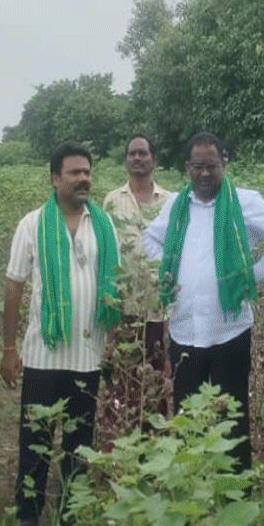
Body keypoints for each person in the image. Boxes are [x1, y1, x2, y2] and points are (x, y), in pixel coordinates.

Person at [143, 132, 264, 473]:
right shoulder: (176, 206)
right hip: (185, 331)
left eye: (211, 166)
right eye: (197, 166)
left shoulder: (245, 202)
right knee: (188, 416)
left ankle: (235, 495)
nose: (204, 174)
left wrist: (252, 275)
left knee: (232, 415)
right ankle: (192, 488)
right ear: (187, 167)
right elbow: (150, 239)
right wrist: (167, 269)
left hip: (229, 330)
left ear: (224, 166)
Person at [0, 142, 121, 526]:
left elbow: (115, 289)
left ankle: (71, 515)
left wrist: (115, 344)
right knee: (34, 441)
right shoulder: (32, 224)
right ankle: (28, 519)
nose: (83, 178)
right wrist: (8, 349)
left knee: (79, 443)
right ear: (55, 179)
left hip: (89, 356)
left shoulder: (103, 225)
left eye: (87, 171)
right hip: (42, 356)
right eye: (74, 172)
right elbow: (14, 286)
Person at [101, 134, 173, 437]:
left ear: (154, 160)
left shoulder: (171, 201)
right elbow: (107, 256)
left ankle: (154, 443)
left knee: (156, 379)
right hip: (125, 306)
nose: (138, 158)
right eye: (132, 153)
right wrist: (110, 314)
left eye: (144, 153)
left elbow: (175, 255)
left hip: (159, 307)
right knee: (123, 378)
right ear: (126, 160)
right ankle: (122, 444)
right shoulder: (112, 201)